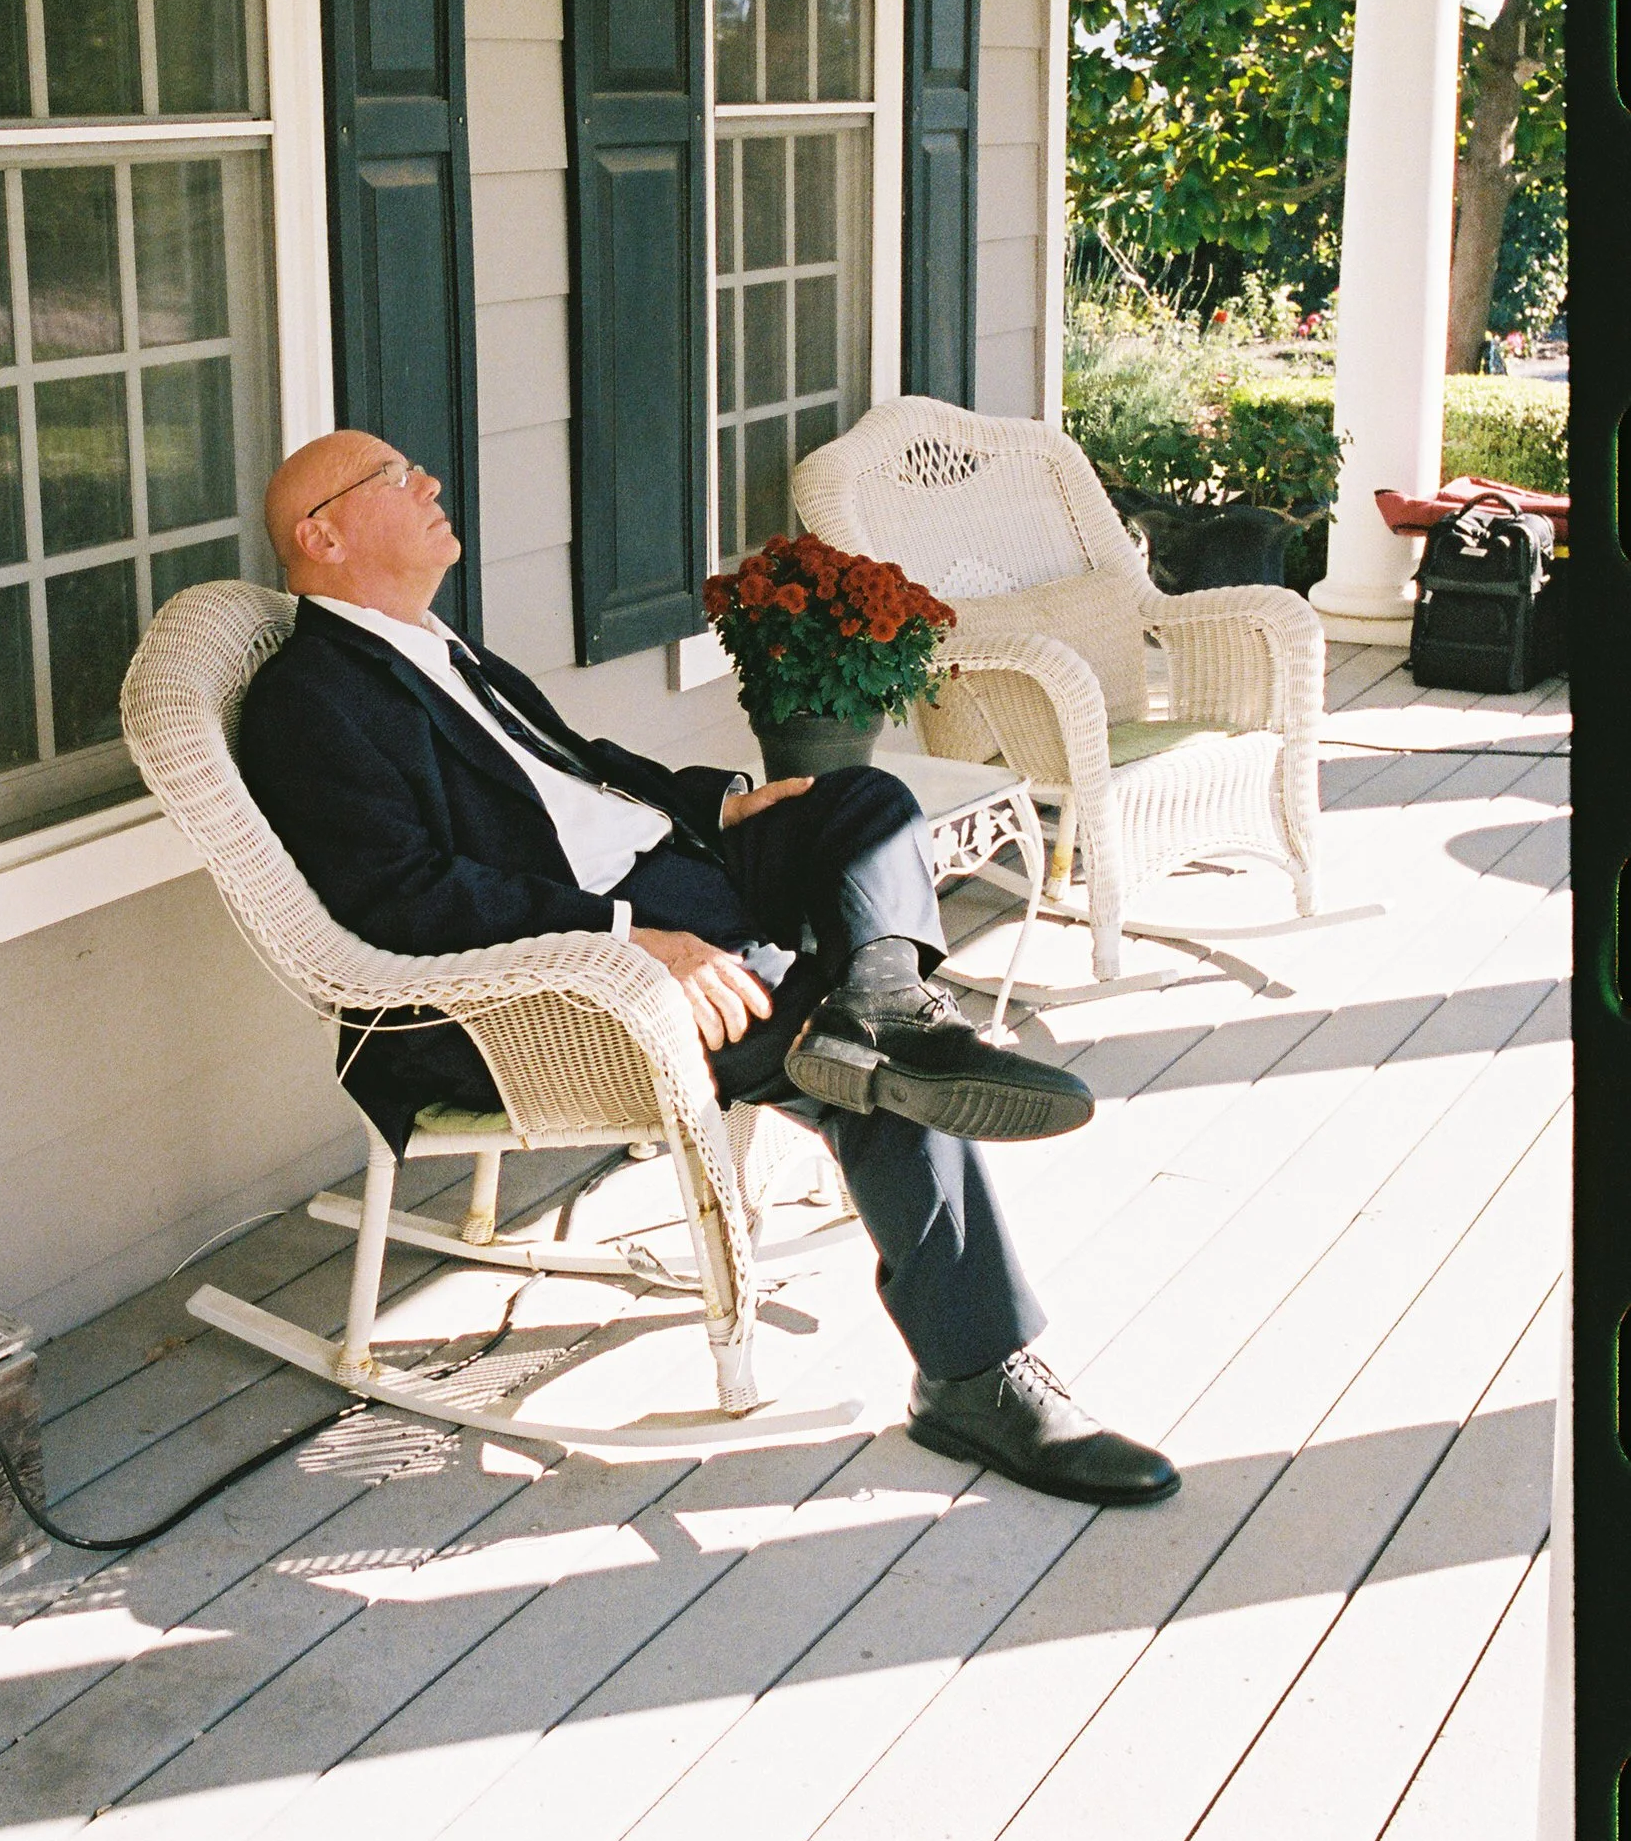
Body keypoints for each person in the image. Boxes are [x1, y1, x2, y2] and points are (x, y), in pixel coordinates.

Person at [236, 429, 1180, 1510]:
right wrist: (626, 936)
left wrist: (723, 804)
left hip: (672, 878)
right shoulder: (310, 699)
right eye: (397, 476)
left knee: (864, 806)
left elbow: (580, 778)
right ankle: (976, 1372)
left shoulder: (439, 645)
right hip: (555, 983)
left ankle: (887, 1004)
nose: (430, 482)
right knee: (858, 1062)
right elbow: (402, 900)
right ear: (324, 532)